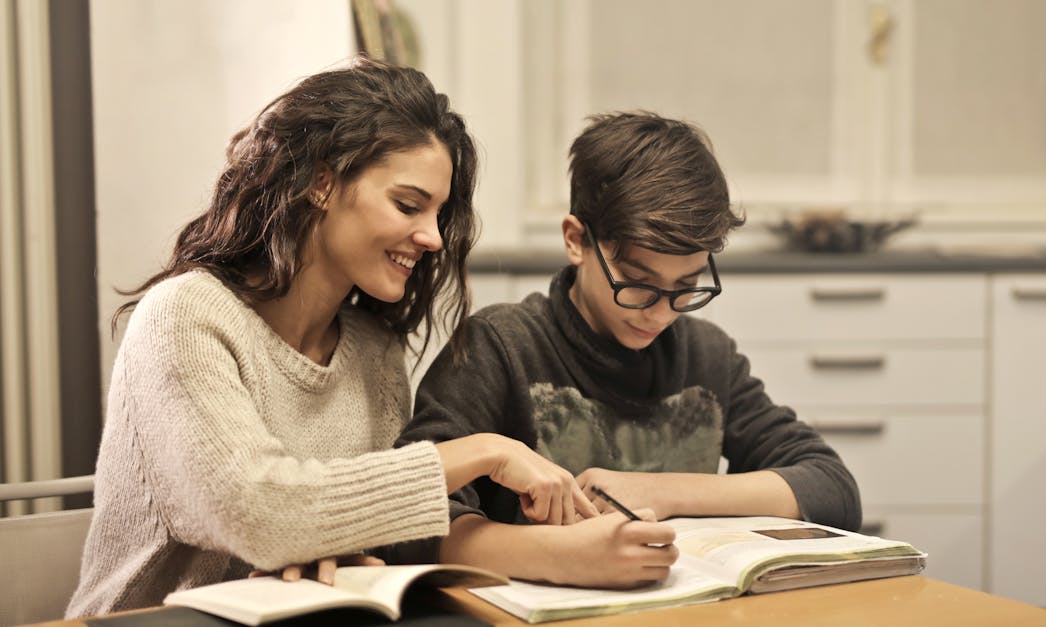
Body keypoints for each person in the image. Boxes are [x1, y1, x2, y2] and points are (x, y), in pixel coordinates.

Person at [67, 57, 610, 617]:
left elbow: (345, 533)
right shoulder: (183, 317)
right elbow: (261, 514)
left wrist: (333, 551)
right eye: (408, 204)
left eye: (438, 213)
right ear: (322, 183)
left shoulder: (373, 351)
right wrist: (486, 451)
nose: (431, 237)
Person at [399, 111, 862, 586]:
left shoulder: (707, 355)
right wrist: (559, 555)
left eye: (686, 286)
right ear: (576, 240)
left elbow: (831, 488)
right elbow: (405, 520)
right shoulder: (499, 348)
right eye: (638, 285)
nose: (661, 314)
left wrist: (661, 491)